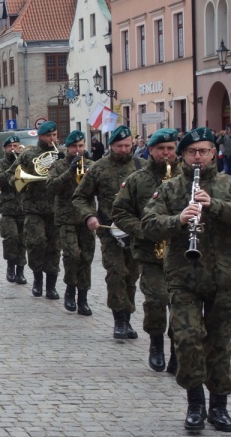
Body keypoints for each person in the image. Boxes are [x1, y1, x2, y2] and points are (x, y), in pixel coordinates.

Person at [141, 127, 231, 432]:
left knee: (219, 344)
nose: (199, 157)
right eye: (192, 152)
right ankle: (195, 404)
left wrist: (216, 206)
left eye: (205, 151)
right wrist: (179, 219)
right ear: (182, 155)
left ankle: (219, 406)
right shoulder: (169, 190)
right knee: (186, 340)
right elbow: (149, 224)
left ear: (214, 153)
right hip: (183, 277)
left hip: (223, 278)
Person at [112, 128, 180, 373]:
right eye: (161, 149)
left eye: (170, 149)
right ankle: (156, 344)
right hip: (151, 253)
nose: (166, 153)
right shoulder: (137, 179)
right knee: (157, 300)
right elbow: (119, 212)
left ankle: (177, 351)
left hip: (181, 254)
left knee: (180, 305)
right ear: (150, 150)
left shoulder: (185, 178)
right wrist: (143, 230)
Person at [72, 126, 143, 339]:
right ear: (111, 145)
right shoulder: (99, 168)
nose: (124, 149)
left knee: (131, 275)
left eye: (127, 145)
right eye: (119, 146)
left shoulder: (141, 167)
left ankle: (128, 318)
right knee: (116, 272)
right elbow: (80, 197)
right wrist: (89, 216)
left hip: (137, 230)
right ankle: (119, 320)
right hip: (108, 229)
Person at [9, 121, 61, 299]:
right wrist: (26, 180)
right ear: (40, 136)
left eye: (54, 135)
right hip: (33, 207)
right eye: (49, 136)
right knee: (36, 243)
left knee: (54, 247)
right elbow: (12, 176)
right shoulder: (28, 154)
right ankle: (37, 279)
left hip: (56, 208)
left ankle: (51, 286)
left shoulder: (60, 154)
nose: (52, 139)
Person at [46, 130, 95, 315]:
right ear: (68, 148)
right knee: (72, 255)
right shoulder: (58, 165)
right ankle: (70, 289)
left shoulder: (91, 165)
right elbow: (50, 188)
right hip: (65, 218)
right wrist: (69, 172)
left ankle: (82, 298)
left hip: (86, 217)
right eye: (74, 146)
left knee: (86, 258)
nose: (78, 150)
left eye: (81, 146)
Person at [0, 136, 27, 285]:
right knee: (11, 237)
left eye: (16, 146)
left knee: (23, 241)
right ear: (5, 149)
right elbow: (0, 180)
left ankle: (20, 271)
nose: (13, 148)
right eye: (10, 146)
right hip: (8, 208)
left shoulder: (25, 163)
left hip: (24, 208)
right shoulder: (0, 164)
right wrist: (13, 168)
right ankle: (10, 267)